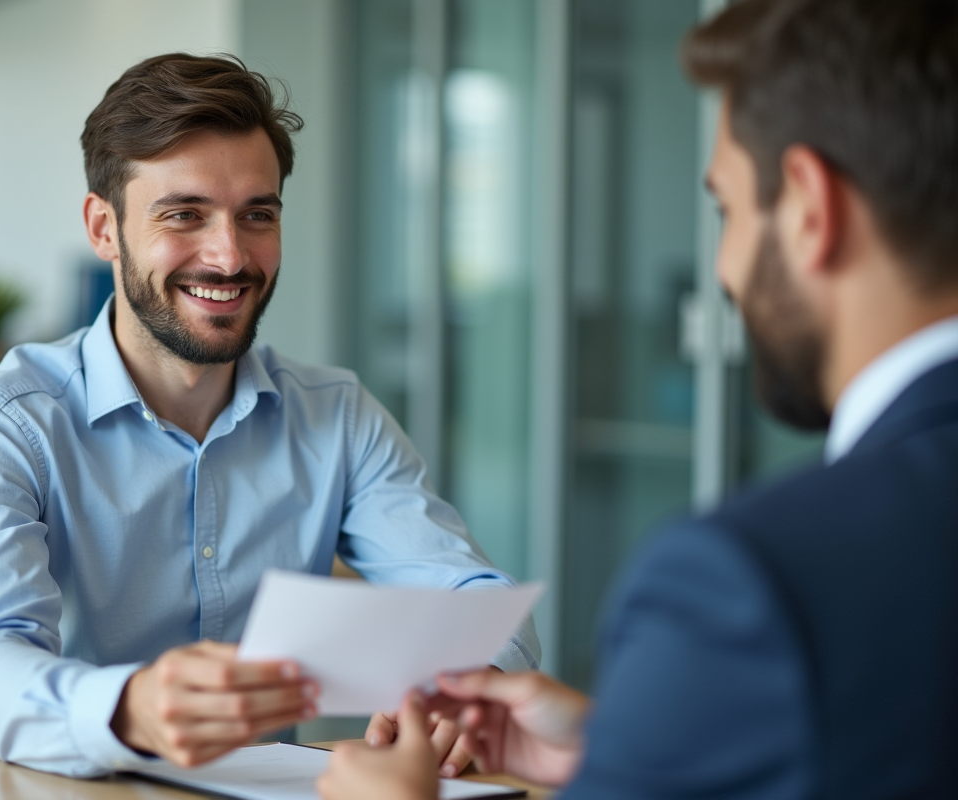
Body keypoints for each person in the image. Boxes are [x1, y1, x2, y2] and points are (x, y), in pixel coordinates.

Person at [319, 0, 958, 797]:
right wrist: (624, 754)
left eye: (726, 210)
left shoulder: (746, 584)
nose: (722, 271)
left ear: (808, 208)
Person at [0, 53, 539, 778]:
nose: (229, 256)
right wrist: (130, 707)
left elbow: (477, 603)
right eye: (184, 215)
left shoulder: (336, 417)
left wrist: (468, 688)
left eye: (258, 216)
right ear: (104, 229)